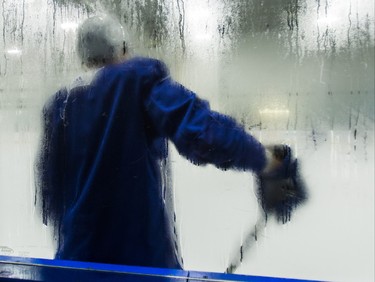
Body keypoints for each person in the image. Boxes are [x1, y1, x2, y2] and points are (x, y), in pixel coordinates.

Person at [35, 15, 284, 270]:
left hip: (75, 264)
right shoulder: (136, 82)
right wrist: (265, 160)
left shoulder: (60, 105)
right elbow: (201, 132)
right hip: (138, 262)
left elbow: (49, 196)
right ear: (121, 48)